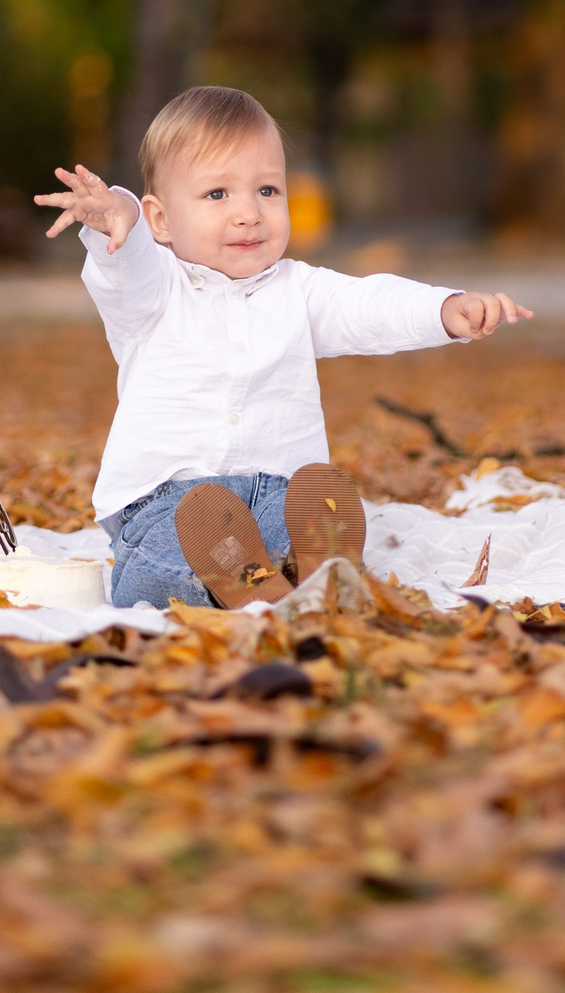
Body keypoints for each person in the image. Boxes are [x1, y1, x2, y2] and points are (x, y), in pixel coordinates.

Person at [36, 85, 532, 609]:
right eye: (217, 194)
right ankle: (255, 582)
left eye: (268, 190)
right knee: (156, 569)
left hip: (278, 493)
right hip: (169, 504)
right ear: (160, 220)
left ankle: (305, 571)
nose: (249, 212)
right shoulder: (155, 291)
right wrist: (121, 218)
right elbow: (126, 266)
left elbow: (366, 304)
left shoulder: (298, 289)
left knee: (304, 515)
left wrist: (444, 309)